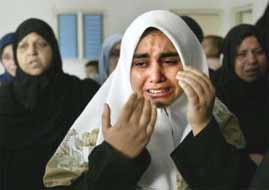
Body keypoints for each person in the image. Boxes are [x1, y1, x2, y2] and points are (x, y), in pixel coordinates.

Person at [44, 10, 250, 190]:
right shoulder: (102, 123)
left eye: (169, 61)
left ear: (192, 61)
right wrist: (115, 156)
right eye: (141, 63)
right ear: (126, 69)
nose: (156, 75)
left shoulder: (218, 120)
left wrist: (203, 128)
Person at [0, 18, 99, 190]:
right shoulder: (4, 99)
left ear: (53, 48)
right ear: (16, 52)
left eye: (41, 44)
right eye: (23, 46)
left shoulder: (81, 92)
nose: (32, 52)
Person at [214, 24, 269, 165]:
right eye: (241, 54)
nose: (252, 60)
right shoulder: (215, 93)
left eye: (259, 52)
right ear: (230, 58)